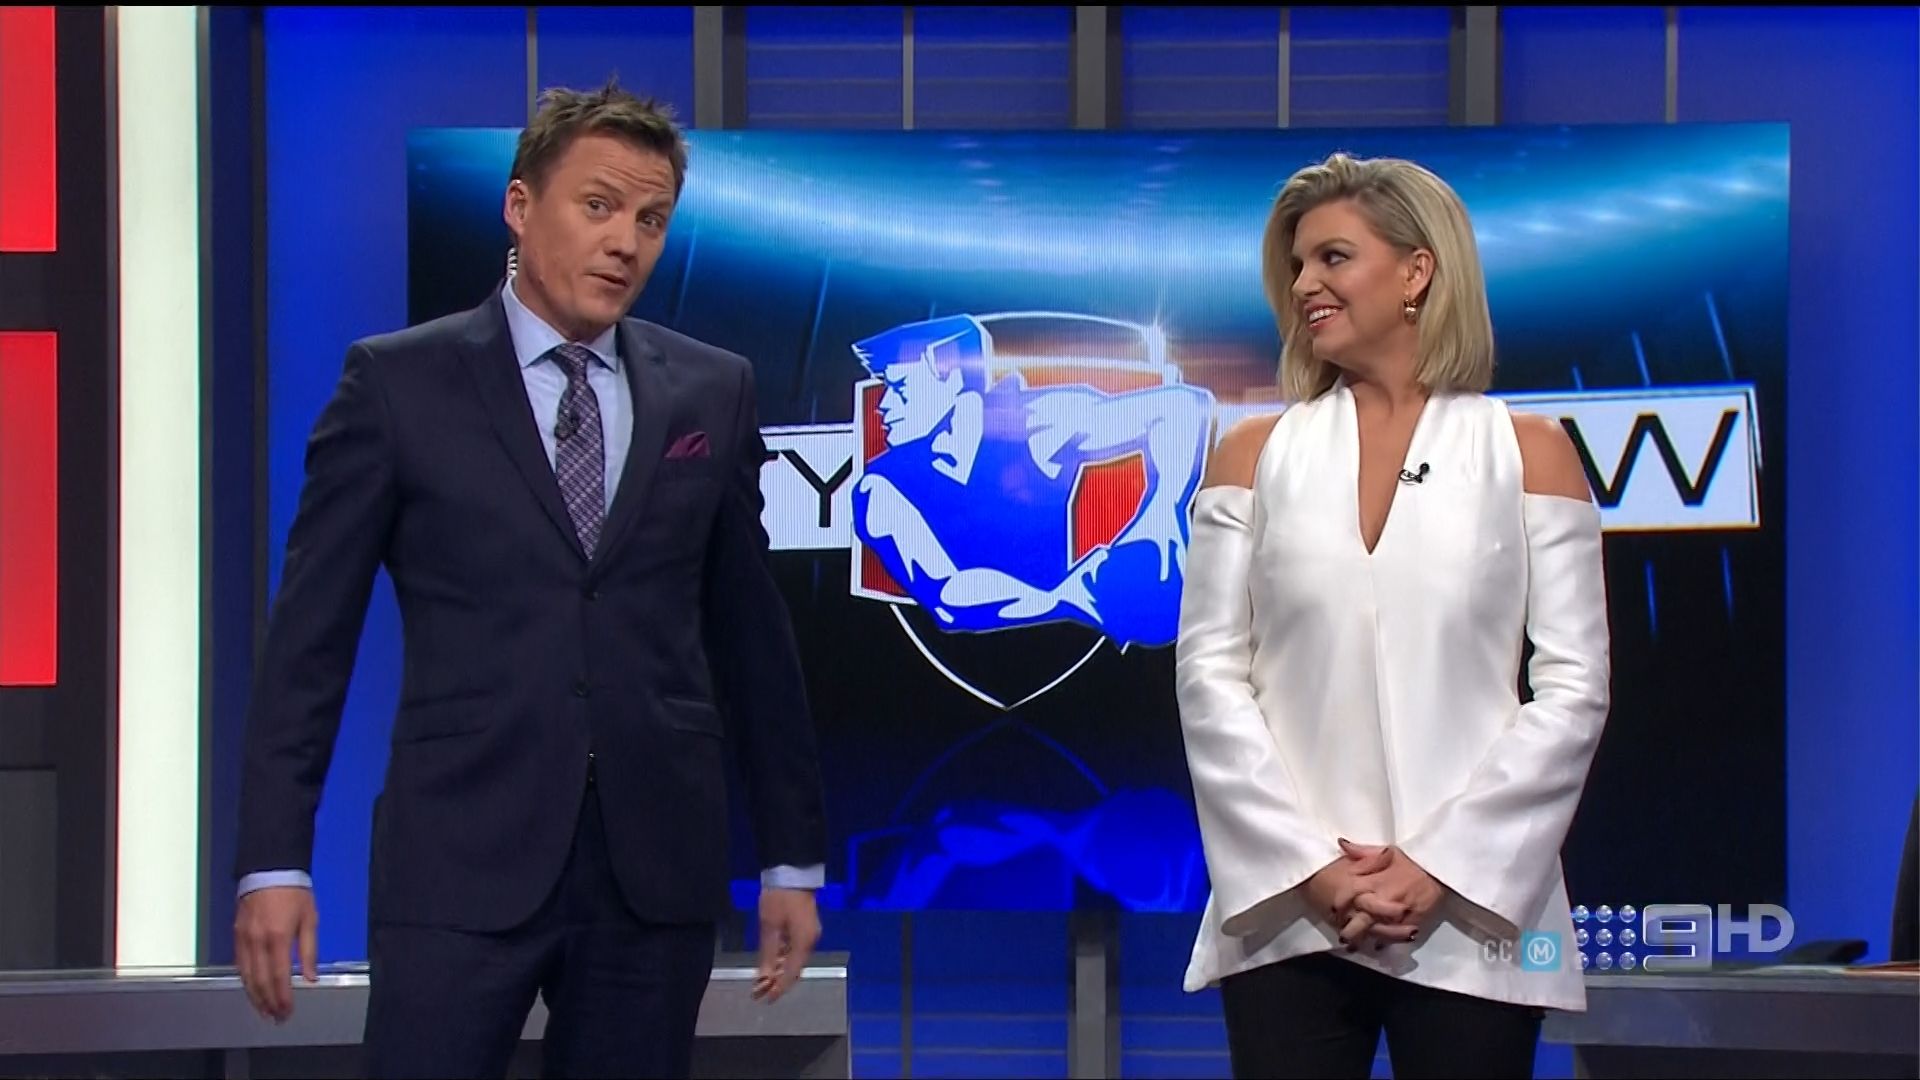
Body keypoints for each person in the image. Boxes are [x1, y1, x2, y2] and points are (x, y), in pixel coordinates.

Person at [231, 79, 828, 1080]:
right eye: (598, 206)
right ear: (520, 205)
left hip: (652, 872)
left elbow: (753, 641)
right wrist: (273, 860)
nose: (625, 242)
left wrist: (792, 858)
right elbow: (309, 644)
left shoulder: (712, 390)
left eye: (650, 220)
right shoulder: (396, 385)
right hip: (458, 861)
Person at [1174, 152, 1611, 1079]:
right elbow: (1209, 677)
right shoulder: (1251, 455)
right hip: (1290, 907)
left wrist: (1443, 865)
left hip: (1476, 911)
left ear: (1417, 272)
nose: (1305, 284)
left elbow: (1574, 687)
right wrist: (1309, 867)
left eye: (1333, 257)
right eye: (1297, 265)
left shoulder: (1528, 452)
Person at [849, 313, 1212, 648]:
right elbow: (948, 597)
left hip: (1088, 672)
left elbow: (1179, 409)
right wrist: (1082, 597)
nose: (883, 405)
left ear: (954, 377)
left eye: (899, 387)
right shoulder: (879, 489)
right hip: (945, 678)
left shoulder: (1034, 421)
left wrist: (1162, 516)